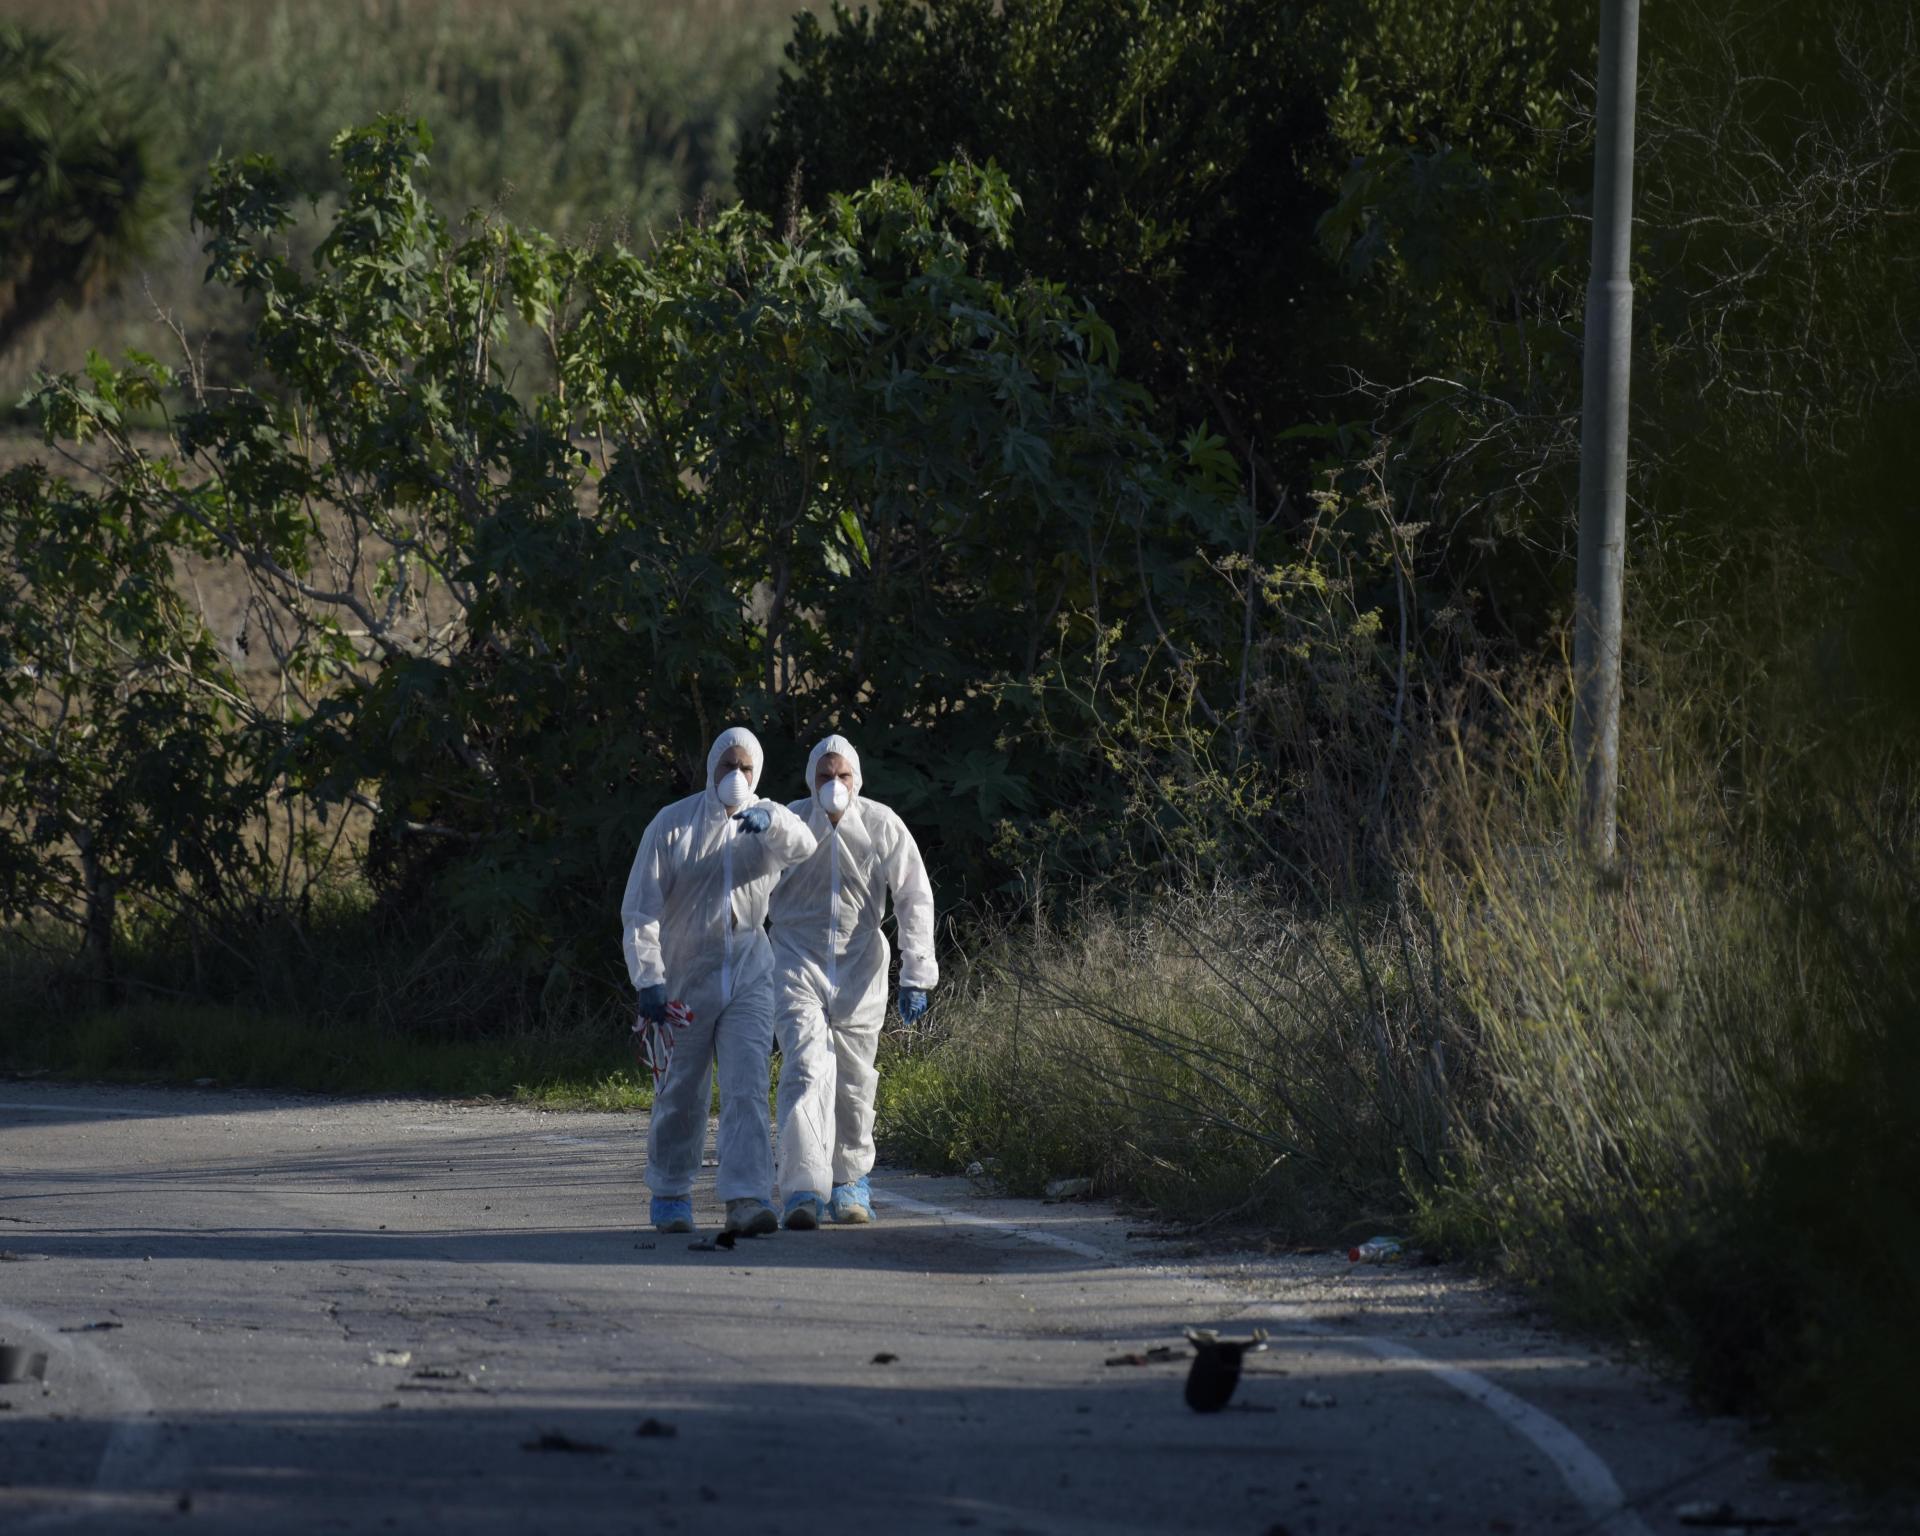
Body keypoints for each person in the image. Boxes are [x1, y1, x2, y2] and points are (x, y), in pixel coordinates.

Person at [620, 726, 818, 1236]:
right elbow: (641, 910)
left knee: (748, 1084)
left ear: (758, 772)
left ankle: (746, 1197)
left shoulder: (768, 824)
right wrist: (649, 978)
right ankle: (669, 1190)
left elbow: (805, 844)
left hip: (751, 971)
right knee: (682, 1088)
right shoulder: (672, 825)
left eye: (745, 768)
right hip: (685, 975)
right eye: (727, 766)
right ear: (710, 768)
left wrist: (772, 818)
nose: (736, 776)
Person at [768, 733, 937, 1229]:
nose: (834, 785)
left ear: (856, 779)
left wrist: (917, 972)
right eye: (825, 776)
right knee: (804, 1067)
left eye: (842, 776)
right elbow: (748, 884)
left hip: (861, 963)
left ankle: (849, 1183)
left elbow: (913, 895)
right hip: (796, 959)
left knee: (855, 1079)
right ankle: (802, 1188)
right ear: (810, 779)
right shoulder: (790, 822)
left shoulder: (881, 825)